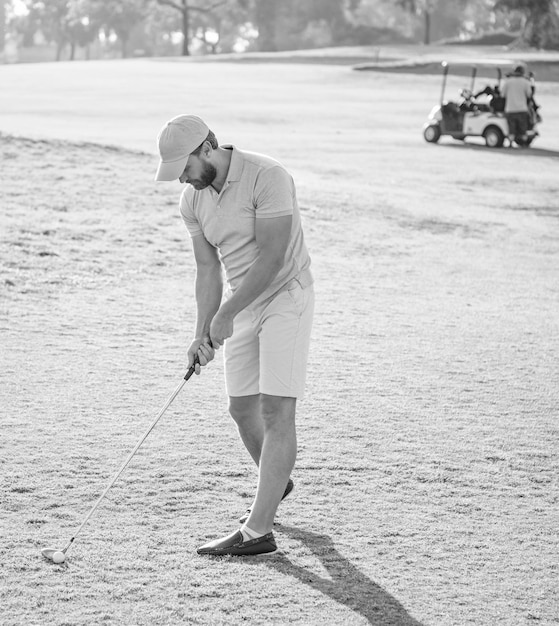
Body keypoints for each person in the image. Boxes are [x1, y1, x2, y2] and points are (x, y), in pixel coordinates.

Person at [154, 114, 314, 556]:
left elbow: (273, 256)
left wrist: (226, 314)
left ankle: (258, 531)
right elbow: (208, 269)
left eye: (184, 167)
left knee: (276, 410)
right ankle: (275, 480)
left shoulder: (268, 175)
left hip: (285, 295)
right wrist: (202, 331)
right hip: (241, 306)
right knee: (241, 409)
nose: (182, 179)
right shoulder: (193, 199)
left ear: (208, 147)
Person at [501, 65, 532, 147]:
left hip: (510, 108)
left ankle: (510, 143)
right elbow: (529, 95)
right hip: (522, 108)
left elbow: (502, 94)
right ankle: (523, 144)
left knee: (511, 128)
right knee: (522, 129)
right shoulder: (526, 82)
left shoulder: (508, 81)